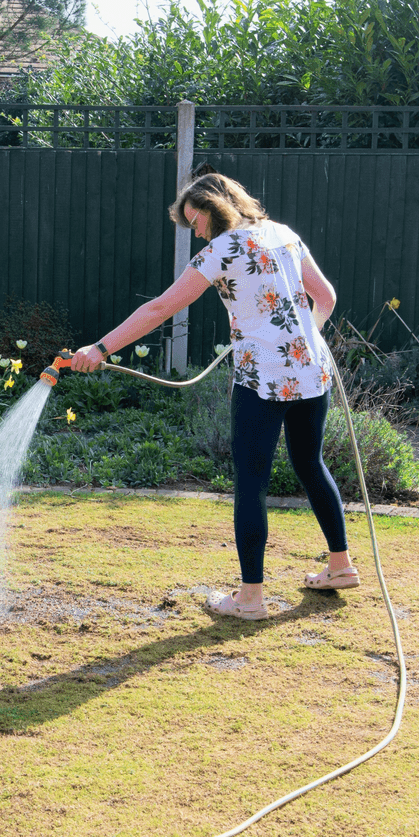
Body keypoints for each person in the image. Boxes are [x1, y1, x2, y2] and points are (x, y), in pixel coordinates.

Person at [65, 172, 358, 618]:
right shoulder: (284, 235)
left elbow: (161, 307)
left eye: (195, 220)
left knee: (251, 482)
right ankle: (340, 566)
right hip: (311, 371)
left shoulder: (220, 251)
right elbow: (328, 298)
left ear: (214, 208)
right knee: (309, 463)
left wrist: (101, 348)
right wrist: (303, 342)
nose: (195, 230)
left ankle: (250, 597)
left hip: (261, 379)